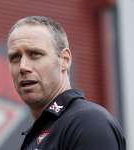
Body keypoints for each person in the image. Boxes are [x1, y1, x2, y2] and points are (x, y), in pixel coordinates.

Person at [7, 16, 126, 150]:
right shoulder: (43, 133)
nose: (23, 66)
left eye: (35, 54)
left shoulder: (88, 122)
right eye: (15, 57)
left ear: (64, 60)